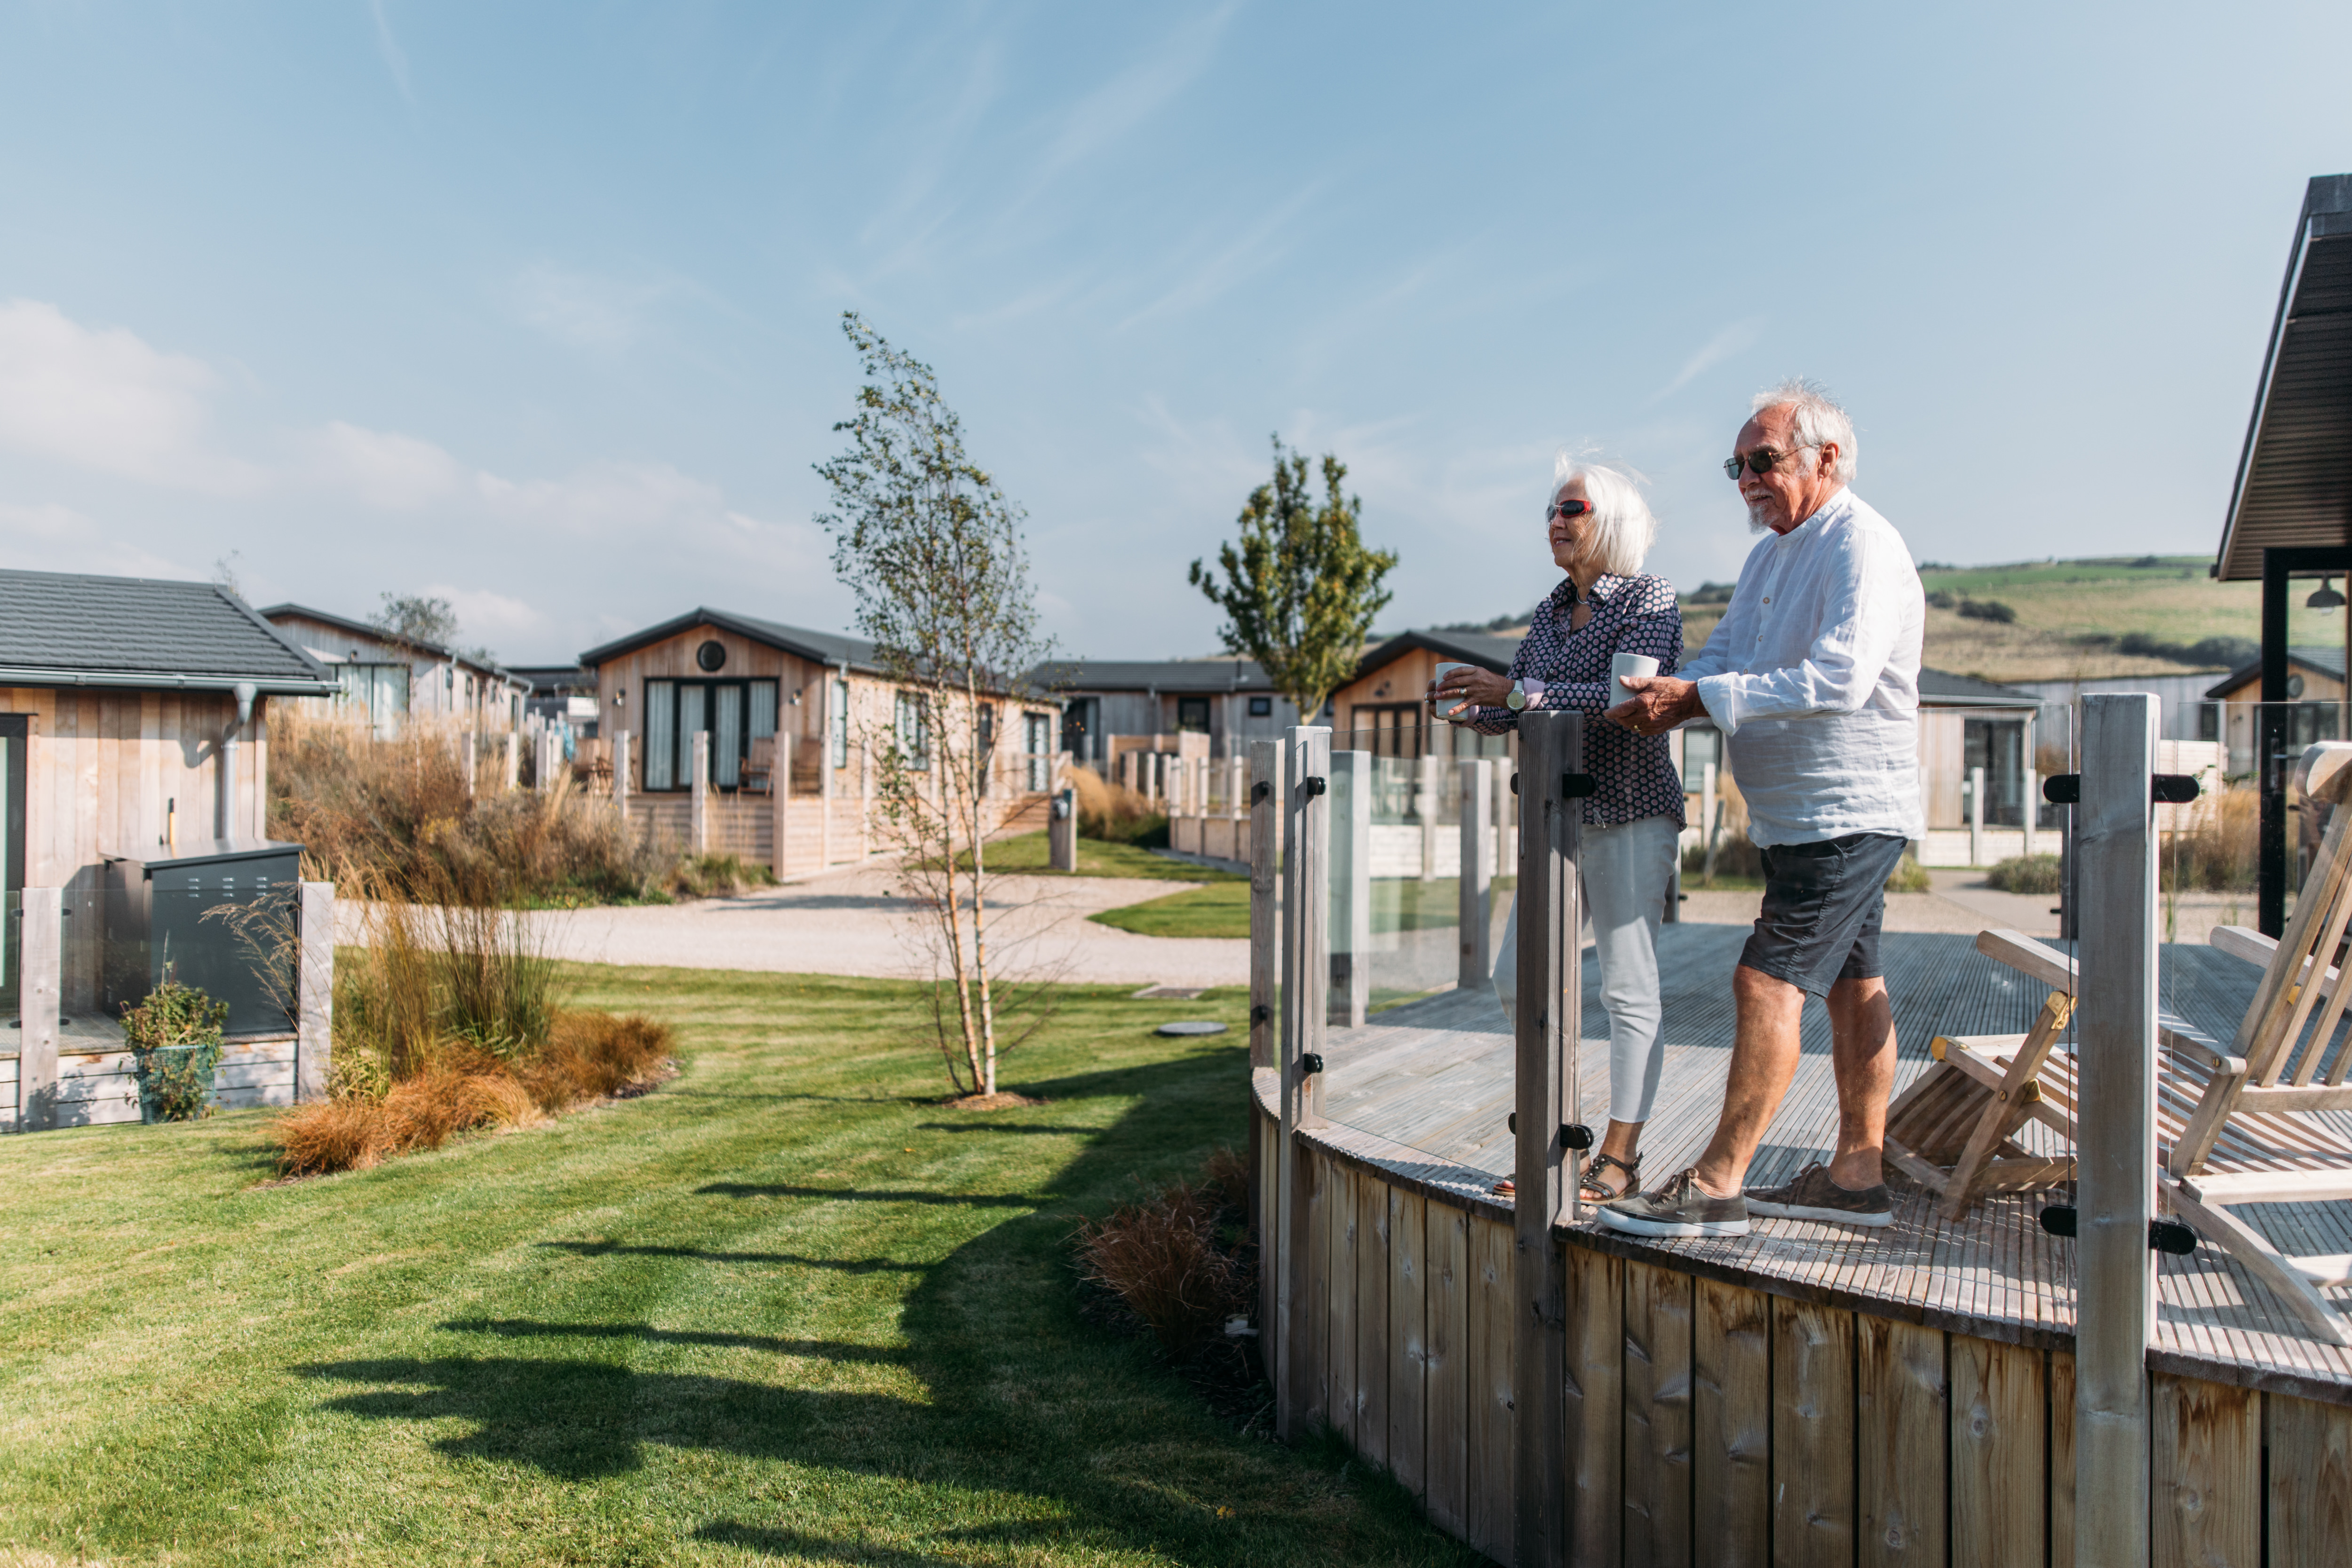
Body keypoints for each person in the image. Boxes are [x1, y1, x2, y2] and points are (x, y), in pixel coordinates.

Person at [1596, 379, 1923, 1239]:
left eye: (1763, 459)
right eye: (1735, 464)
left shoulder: (1861, 544)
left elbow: (1841, 678)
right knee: (1855, 984)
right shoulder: (1772, 553)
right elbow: (1729, 653)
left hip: (1846, 808)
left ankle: (1716, 1185)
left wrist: (1700, 692)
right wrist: (1670, 693)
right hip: (1798, 811)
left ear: (1828, 458)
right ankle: (1857, 1179)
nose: (1745, 478)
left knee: (1765, 977)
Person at [1435, 459, 1685, 1202]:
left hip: (1630, 808)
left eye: (1571, 507)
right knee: (1521, 979)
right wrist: (1474, 707)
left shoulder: (1649, 598)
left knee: (1628, 987)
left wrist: (1513, 691)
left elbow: (1628, 700)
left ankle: (1618, 1155)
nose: (1555, 519)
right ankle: (1558, 1137)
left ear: (1609, 517)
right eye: (1550, 508)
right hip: (1555, 817)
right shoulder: (1547, 612)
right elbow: (1525, 707)